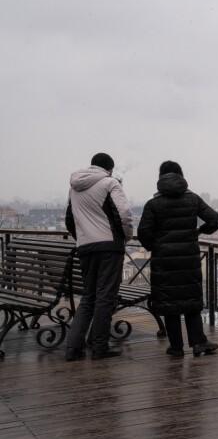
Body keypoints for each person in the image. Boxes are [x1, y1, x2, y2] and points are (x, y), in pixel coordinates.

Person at [137, 161, 218, 357]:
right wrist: (200, 231)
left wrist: (155, 246)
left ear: (160, 178)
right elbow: (215, 220)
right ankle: (199, 342)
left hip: (164, 261)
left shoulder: (153, 204)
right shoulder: (193, 199)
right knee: (191, 300)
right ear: (182, 176)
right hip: (189, 259)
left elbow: (143, 233)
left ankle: (176, 347)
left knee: (169, 303)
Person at [65, 152, 133, 361]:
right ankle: (100, 347)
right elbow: (124, 214)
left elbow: (69, 219)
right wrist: (126, 236)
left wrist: (83, 238)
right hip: (108, 248)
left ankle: (73, 348)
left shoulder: (74, 187)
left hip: (85, 247)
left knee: (88, 297)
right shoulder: (110, 183)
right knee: (105, 297)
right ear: (110, 169)